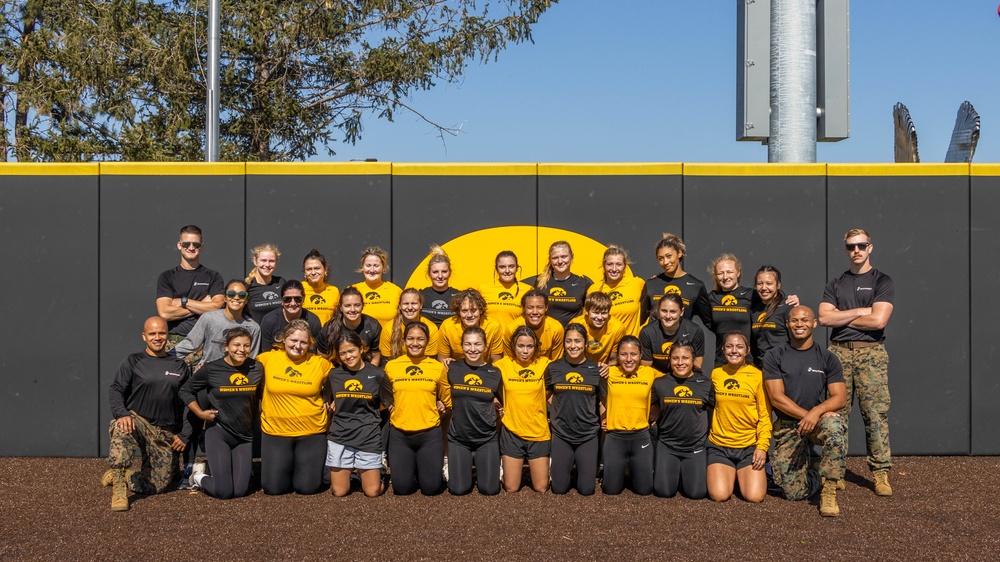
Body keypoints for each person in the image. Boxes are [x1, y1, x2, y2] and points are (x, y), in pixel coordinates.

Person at [819, 228, 896, 497]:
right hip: (838, 353)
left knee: (875, 414)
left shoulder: (881, 281)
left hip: (870, 353)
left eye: (861, 246)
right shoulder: (836, 283)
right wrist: (861, 311)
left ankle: (880, 473)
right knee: (836, 414)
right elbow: (825, 319)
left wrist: (842, 315)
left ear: (870, 248)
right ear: (846, 250)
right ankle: (835, 473)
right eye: (851, 247)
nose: (856, 251)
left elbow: (879, 321)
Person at [763, 306, 847, 517]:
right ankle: (820, 473)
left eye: (804, 320)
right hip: (789, 425)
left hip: (817, 422)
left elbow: (840, 397)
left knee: (835, 426)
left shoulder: (827, 358)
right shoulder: (774, 356)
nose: (799, 324)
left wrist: (817, 412)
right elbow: (776, 397)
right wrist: (806, 415)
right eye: (794, 321)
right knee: (793, 492)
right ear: (787, 324)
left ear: (814, 323)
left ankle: (829, 491)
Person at [103, 316, 190, 512]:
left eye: (161, 333)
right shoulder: (133, 360)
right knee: (121, 428)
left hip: (164, 431)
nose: (157, 337)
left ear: (167, 335)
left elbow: (187, 402)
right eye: (152, 333)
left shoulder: (179, 365)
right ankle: (119, 484)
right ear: (144, 336)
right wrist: (122, 414)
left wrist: (183, 433)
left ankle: (127, 477)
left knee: (158, 486)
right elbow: (116, 389)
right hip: (138, 422)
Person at [178, 327, 263, 499]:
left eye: (247, 345)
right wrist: (200, 414)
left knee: (239, 491)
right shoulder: (212, 369)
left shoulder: (257, 368)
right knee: (224, 492)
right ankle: (198, 477)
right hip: (219, 433)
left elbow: (263, 395)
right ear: (226, 346)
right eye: (236, 345)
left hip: (244, 436)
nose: (241, 349)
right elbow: (185, 390)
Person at [257, 319, 332, 495]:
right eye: (293, 340)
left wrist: (332, 397)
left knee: (307, 488)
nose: (298, 345)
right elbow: (240, 370)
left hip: (311, 432)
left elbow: (340, 380)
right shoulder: (267, 359)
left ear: (310, 344)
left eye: (303, 342)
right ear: (283, 339)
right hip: (276, 432)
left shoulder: (319, 363)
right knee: (273, 489)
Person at [381, 321, 451, 495]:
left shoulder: (437, 367)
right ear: (404, 341)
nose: (415, 343)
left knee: (431, 489)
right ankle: (413, 469)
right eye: (410, 338)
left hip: (429, 434)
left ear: (427, 341)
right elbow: (383, 394)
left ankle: (427, 469)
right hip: (400, 434)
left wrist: (442, 404)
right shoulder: (392, 366)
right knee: (402, 489)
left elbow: (447, 397)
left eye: (420, 339)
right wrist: (390, 403)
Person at [706, 332, 771, 503]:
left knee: (754, 497)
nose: (734, 351)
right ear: (723, 349)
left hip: (748, 447)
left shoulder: (758, 376)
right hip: (720, 445)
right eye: (729, 346)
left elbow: (765, 415)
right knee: (720, 495)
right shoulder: (716, 374)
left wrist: (762, 447)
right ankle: (729, 474)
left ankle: (738, 474)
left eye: (739, 346)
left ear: (747, 350)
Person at [322, 331, 386, 497]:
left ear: (361, 349)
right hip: (340, 436)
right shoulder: (334, 375)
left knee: (372, 492)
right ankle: (353, 475)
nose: (347, 356)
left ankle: (381, 475)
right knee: (339, 491)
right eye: (342, 353)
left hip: (368, 436)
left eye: (351, 351)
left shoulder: (377, 375)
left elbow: (387, 404)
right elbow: (327, 398)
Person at [651, 340, 714, 499]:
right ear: (669, 360)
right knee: (663, 492)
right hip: (668, 445)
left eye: (685, 358)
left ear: (693, 360)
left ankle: (686, 472)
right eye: (675, 358)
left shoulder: (706, 384)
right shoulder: (660, 384)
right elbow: (654, 406)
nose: (680, 363)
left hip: (695, 447)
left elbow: (713, 412)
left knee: (696, 493)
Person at [545, 323, 602, 495]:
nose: (573, 345)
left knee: (587, 489)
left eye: (578, 341)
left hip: (587, 434)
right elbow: (546, 394)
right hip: (562, 433)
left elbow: (602, 400)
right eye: (568, 341)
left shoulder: (596, 370)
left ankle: (583, 469)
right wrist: (553, 412)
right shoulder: (554, 368)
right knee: (559, 488)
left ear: (585, 344)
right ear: (563, 343)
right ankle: (566, 467)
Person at [599, 335, 661, 495]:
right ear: (617, 356)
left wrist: (657, 407)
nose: (628, 359)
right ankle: (615, 472)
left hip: (640, 436)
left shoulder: (649, 373)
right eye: (623, 354)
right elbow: (597, 392)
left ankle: (632, 471)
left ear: (641, 355)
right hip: (615, 437)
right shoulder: (609, 372)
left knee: (645, 490)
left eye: (633, 354)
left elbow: (673, 383)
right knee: (610, 490)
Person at [446, 327, 503, 495]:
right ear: (461, 346)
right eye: (468, 344)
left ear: (485, 346)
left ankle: (488, 466)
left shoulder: (495, 372)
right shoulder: (452, 367)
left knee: (490, 490)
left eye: (477, 344)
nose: (472, 349)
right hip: (459, 438)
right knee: (458, 490)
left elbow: (501, 401)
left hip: (486, 438)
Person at [154, 225, 224, 360]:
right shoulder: (167, 277)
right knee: (175, 381)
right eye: (186, 244)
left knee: (204, 382)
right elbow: (165, 312)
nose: (191, 248)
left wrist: (183, 301)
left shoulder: (213, 276)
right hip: (175, 342)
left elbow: (216, 307)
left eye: (196, 245)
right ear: (179, 245)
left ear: (201, 247)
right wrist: (201, 305)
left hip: (206, 343)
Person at [497, 326, 552, 493]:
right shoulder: (502, 365)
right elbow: (483, 380)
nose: (525, 351)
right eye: (521, 346)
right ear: (514, 345)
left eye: (530, 346)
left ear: (536, 347)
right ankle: (503, 469)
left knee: (541, 488)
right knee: (511, 487)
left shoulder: (545, 364)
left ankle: (548, 466)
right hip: (512, 430)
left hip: (538, 430)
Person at [175, 279, 261, 367]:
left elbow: (251, 357)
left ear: (246, 300)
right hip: (208, 372)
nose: (236, 297)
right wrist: (166, 357)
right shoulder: (209, 318)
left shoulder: (253, 327)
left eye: (242, 295)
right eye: (231, 294)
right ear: (225, 298)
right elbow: (190, 343)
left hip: (236, 375)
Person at [644, 233, 712, 326]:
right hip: (655, 340)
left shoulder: (696, 286)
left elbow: (710, 321)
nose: (665, 262)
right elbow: (640, 319)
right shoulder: (651, 284)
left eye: (669, 256)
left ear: (679, 253)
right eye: (661, 258)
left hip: (682, 340)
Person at [524, 241, 593, 326]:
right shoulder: (540, 282)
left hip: (572, 337)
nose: (560, 261)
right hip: (548, 335)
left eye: (564, 257)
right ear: (550, 260)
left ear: (571, 257)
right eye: (555, 258)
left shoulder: (583, 283)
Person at [706, 253, 753, 368]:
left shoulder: (751, 295)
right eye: (720, 273)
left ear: (738, 273)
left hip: (746, 362)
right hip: (721, 362)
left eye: (729, 272)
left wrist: (791, 300)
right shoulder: (711, 298)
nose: (725, 276)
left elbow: (773, 300)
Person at [587, 245, 646, 337]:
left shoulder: (637, 284)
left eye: (619, 264)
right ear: (604, 265)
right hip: (606, 346)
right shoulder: (594, 289)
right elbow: (588, 321)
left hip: (630, 347)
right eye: (610, 264)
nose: (614, 269)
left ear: (625, 266)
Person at [639, 293, 706, 374]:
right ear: (658, 310)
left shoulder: (694, 331)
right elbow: (646, 369)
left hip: (684, 377)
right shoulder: (648, 332)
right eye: (664, 311)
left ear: (681, 312)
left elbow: (696, 365)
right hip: (657, 379)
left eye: (673, 312)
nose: (668, 316)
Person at [317, 286, 383, 366]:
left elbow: (375, 356)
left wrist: (368, 376)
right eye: (347, 306)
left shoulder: (373, 326)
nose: (352, 310)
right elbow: (323, 359)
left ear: (363, 306)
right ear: (341, 307)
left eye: (357, 305)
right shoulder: (329, 329)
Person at [437, 289, 504, 366]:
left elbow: (496, 361)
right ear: (458, 312)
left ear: (481, 310)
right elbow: (442, 359)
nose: (469, 315)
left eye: (473, 310)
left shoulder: (493, 326)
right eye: (464, 311)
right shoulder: (447, 326)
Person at [259, 280, 322, 352]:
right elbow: (265, 353)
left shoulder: (313, 322)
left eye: (298, 299)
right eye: (287, 299)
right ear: (282, 300)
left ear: (303, 299)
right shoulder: (269, 321)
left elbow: (312, 353)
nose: (293, 303)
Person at [350, 246, 402, 333]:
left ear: (383, 267)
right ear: (362, 267)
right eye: (368, 265)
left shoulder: (395, 291)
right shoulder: (353, 291)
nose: (372, 270)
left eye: (376, 266)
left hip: (388, 344)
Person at [503, 289, 564, 360]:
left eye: (539, 307)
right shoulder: (511, 329)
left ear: (546, 308)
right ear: (523, 308)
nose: (535, 312)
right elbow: (509, 360)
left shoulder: (556, 328)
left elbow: (556, 362)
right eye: (530, 307)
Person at [379, 288, 439, 360]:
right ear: (400, 306)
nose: (410, 307)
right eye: (406, 303)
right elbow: (386, 360)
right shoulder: (389, 329)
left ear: (420, 305)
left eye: (414, 303)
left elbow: (431, 360)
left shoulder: (431, 328)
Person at [479, 250, 533, 330]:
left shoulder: (528, 290)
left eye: (511, 266)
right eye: (502, 267)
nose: (507, 271)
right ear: (496, 269)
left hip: (515, 339)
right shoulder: (483, 289)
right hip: (488, 339)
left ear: (517, 268)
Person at [750, 265, 791, 365]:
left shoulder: (787, 307)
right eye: (760, 283)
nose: (764, 288)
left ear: (778, 285)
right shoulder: (753, 309)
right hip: (760, 366)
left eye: (769, 283)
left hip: (782, 366)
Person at [569, 292, 624, 365]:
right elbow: (570, 352)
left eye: (604, 313)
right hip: (578, 365)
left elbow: (613, 360)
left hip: (602, 367)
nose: (600, 317)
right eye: (596, 313)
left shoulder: (617, 327)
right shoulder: (576, 324)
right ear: (587, 311)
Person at [419, 245, 459, 326]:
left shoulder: (459, 297)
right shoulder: (420, 296)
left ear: (450, 272)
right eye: (435, 272)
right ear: (429, 273)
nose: (440, 276)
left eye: (444, 271)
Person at [244, 243, 285, 323]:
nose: (267, 265)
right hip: (256, 334)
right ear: (255, 261)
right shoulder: (247, 285)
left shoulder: (281, 282)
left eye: (271, 261)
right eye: (263, 260)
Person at [301, 249, 340, 325]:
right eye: (309, 269)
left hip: (327, 336)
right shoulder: (298, 289)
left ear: (325, 270)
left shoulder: (334, 291)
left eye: (317, 268)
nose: (313, 272)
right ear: (304, 272)